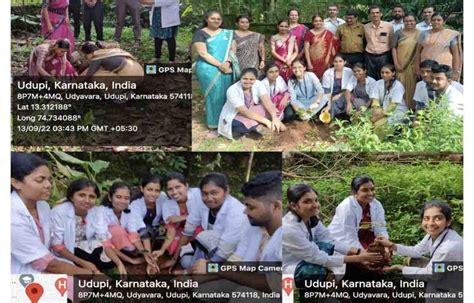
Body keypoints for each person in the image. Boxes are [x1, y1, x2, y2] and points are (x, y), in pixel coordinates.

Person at [188, 172, 284, 300]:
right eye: (246, 206)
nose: (245, 211)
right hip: (256, 277)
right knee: (203, 291)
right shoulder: (252, 226)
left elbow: (274, 285)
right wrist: (205, 274)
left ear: (276, 206)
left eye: (251, 207)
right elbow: (238, 260)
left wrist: (213, 268)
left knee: (242, 297)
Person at [283, 183, 382, 287]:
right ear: (294, 206)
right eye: (307, 202)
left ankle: (332, 283)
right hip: (291, 266)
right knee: (318, 271)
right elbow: (317, 257)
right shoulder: (289, 228)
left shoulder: (310, 218)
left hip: (309, 257)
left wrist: (359, 252)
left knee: (327, 248)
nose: (315, 205)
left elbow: (330, 241)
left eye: (315, 200)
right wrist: (359, 258)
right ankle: (314, 295)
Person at [11, 153, 90, 276]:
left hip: (45, 262)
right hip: (20, 273)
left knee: (81, 285)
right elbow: (46, 263)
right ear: (16, 183)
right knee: (81, 288)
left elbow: (53, 243)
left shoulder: (43, 206)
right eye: (40, 180)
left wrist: (83, 264)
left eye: (49, 179)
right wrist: (90, 274)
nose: (48, 185)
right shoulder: (11, 216)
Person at [375, 200, 463, 297]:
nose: (431, 223)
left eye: (438, 218)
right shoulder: (434, 234)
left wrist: (399, 267)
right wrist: (391, 245)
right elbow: (417, 251)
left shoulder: (449, 247)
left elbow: (432, 274)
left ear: (448, 222)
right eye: (426, 218)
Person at [166, 173, 247, 273]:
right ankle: (198, 271)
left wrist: (188, 272)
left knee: (204, 238)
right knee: (185, 261)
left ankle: (198, 274)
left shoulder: (236, 212)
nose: (209, 198)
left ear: (226, 191)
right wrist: (174, 259)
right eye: (205, 194)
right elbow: (188, 231)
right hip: (214, 248)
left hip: (233, 256)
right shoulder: (201, 203)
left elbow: (224, 252)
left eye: (214, 193)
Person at [50, 179, 119, 274]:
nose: (87, 200)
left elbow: (103, 237)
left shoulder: (95, 211)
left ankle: (89, 266)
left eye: (92, 196)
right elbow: (56, 245)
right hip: (66, 251)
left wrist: (119, 263)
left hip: (86, 246)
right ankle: (89, 269)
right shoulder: (59, 212)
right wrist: (84, 263)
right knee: (86, 257)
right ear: (72, 197)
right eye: (82, 195)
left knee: (109, 261)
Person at [91, 182, 157, 275]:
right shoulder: (101, 212)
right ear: (110, 197)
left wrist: (146, 254)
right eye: (118, 197)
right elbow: (105, 243)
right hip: (101, 244)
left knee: (143, 234)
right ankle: (124, 258)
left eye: (126, 198)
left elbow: (133, 233)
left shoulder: (130, 210)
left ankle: (130, 254)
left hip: (118, 242)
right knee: (115, 230)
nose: (122, 201)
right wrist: (125, 262)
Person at [193, 10, 239, 130]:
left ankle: (227, 121)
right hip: (208, 68)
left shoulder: (228, 33)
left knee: (226, 94)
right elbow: (202, 53)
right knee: (213, 95)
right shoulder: (200, 33)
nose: (216, 21)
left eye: (218, 19)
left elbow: (233, 49)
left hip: (227, 67)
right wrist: (220, 65)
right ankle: (214, 124)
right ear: (207, 19)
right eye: (213, 18)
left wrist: (228, 62)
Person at [218, 68, 286, 140]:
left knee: (274, 111)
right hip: (237, 114)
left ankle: (257, 125)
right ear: (240, 78)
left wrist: (275, 118)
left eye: (251, 79)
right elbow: (244, 111)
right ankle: (257, 127)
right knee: (243, 124)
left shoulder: (258, 84)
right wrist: (267, 122)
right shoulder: (232, 90)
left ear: (255, 79)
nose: (248, 81)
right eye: (245, 78)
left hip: (252, 109)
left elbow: (267, 101)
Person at [157, 173, 205, 271]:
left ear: (186, 186)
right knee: (173, 245)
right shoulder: (167, 204)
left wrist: (183, 217)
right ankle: (188, 256)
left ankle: (195, 260)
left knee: (199, 237)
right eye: (170, 189)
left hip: (200, 229)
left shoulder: (198, 194)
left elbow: (202, 218)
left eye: (178, 187)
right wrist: (161, 250)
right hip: (182, 232)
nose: (174, 192)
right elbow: (171, 229)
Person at [328, 176, 389, 250]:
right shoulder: (346, 207)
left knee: (383, 250)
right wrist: (363, 254)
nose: (370, 193)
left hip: (364, 236)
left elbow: (380, 227)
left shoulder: (376, 204)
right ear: (354, 192)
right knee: (369, 257)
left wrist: (384, 244)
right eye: (365, 190)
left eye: (372, 189)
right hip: (343, 239)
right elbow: (349, 237)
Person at [129, 175, 168, 274]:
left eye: (157, 190)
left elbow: (168, 213)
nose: (153, 194)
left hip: (155, 229)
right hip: (140, 231)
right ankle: (148, 257)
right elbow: (142, 229)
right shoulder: (135, 204)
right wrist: (148, 255)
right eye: (149, 189)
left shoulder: (163, 197)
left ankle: (157, 252)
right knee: (132, 245)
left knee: (171, 236)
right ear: (142, 189)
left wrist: (163, 224)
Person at [415, 13, 462, 81]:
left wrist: (455, 71)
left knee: (442, 86)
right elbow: (418, 52)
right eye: (434, 20)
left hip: (444, 67)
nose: (436, 22)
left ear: (444, 21)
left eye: (439, 20)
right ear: (431, 21)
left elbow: (456, 54)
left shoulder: (450, 34)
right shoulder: (424, 33)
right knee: (427, 87)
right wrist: (417, 68)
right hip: (426, 67)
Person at [391, 13, 421, 110]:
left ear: (415, 21)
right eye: (407, 21)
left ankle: (412, 108)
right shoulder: (398, 33)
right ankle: (400, 109)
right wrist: (396, 64)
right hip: (400, 65)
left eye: (411, 21)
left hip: (413, 66)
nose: (409, 23)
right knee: (400, 86)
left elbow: (420, 50)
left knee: (413, 87)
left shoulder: (420, 33)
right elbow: (393, 48)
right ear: (403, 22)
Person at [305, 14, 339, 79]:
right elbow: (306, 49)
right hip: (313, 62)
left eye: (320, 21)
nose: (318, 23)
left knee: (326, 78)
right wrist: (309, 63)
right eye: (316, 21)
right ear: (312, 22)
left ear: (323, 22)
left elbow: (334, 44)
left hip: (326, 62)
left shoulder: (328, 33)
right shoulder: (309, 33)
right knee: (314, 80)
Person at [80, 42, 144, 77]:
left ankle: (118, 94)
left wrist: (72, 85)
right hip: (140, 72)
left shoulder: (97, 57)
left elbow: (87, 76)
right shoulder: (106, 51)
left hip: (131, 76)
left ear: (89, 53)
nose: (85, 58)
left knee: (96, 76)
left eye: (85, 56)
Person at [364, 5, 394, 80]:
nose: (375, 15)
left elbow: (391, 41)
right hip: (369, 56)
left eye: (377, 12)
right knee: (370, 77)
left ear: (381, 14)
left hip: (384, 56)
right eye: (372, 13)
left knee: (385, 76)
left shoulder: (389, 26)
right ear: (369, 15)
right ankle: (372, 91)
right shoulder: (365, 27)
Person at [322, 54, 354, 118]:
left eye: (340, 61)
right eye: (335, 61)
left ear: (344, 62)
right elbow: (327, 91)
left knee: (347, 102)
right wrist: (329, 104)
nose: (338, 63)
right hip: (330, 96)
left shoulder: (349, 71)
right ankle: (331, 120)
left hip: (343, 94)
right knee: (331, 104)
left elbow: (351, 88)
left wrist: (339, 95)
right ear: (333, 62)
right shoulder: (327, 73)